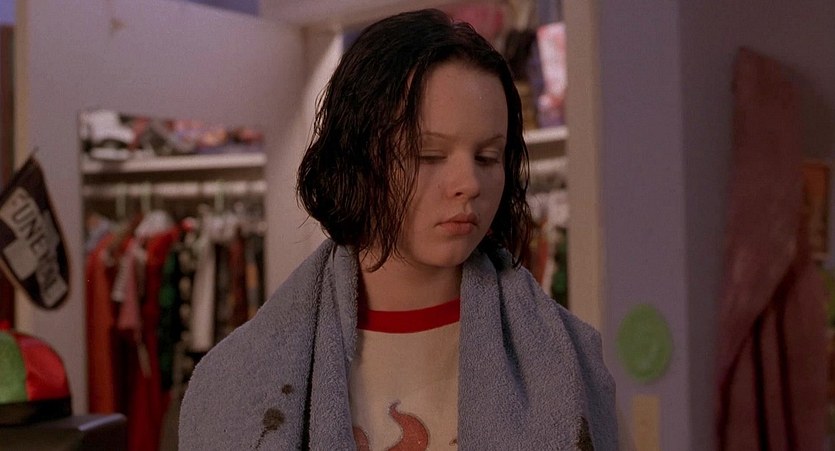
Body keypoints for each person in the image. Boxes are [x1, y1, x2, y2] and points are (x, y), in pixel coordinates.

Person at [179, 9, 617, 450]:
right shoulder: (235, 382)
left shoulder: (572, 363)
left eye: (488, 157)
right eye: (428, 155)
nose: (469, 183)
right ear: (356, 158)